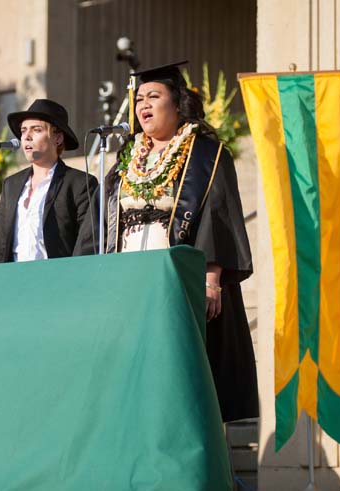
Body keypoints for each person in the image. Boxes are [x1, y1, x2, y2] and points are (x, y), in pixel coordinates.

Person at [74, 61, 257, 423]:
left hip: (177, 282)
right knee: (130, 373)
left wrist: (211, 279)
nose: (143, 105)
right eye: (139, 98)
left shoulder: (206, 155)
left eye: (153, 96)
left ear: (177, 104)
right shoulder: (127, 159)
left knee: (177, 374)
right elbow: (98, 225)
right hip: (127, 284)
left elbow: (216, 216)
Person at [0, 99, 98, 263]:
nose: (27, 136)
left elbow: (87, 244)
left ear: (58, 138)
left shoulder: (79, 184)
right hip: (13, 280)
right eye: (23, 130)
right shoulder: (11, 185)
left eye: (37, 130)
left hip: (56, 280)